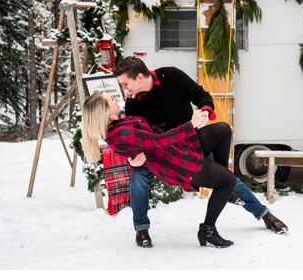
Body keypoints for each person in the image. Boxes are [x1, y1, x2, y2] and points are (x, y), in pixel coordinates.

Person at [113, 57, 288, 248]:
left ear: (139, 77)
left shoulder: (170, 76)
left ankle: (264, 215)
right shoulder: (133, 105)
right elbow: (134, 140)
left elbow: (200, 94)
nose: (124, 90)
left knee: (226, 173)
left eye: (125, 84)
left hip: (191, 145)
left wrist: (205, 110)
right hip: (161, 155)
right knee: (138, 176)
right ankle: (141, 229)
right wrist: (133, 161)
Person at [82, 91, 236, 248]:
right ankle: (207, 230)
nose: (115, 98)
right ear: (105, 112)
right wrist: (191, 125)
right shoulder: (120, 134)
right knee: (229, 181)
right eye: (111, 99)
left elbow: (137, 149)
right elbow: (156, 141)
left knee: (222, 130)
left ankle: (223, 188)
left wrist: (132, 161)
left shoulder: (118, 125)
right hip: (175, 162)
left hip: (177, 147)